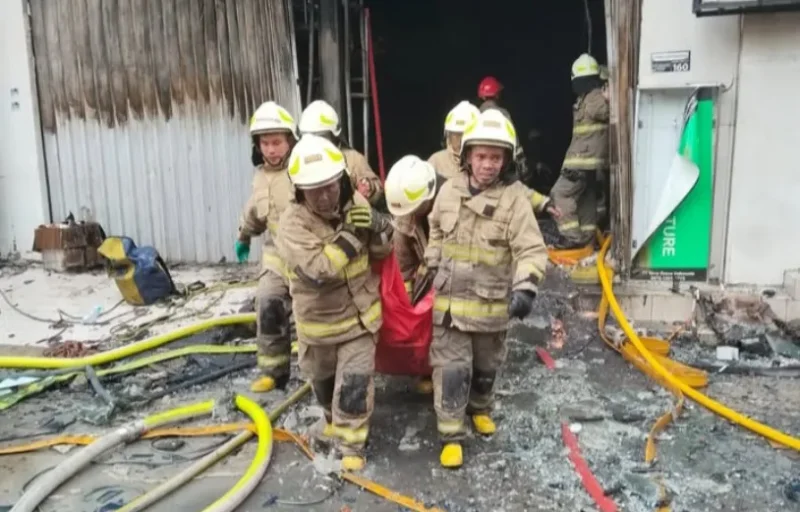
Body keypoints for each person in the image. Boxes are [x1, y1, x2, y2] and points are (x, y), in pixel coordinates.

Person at [423, 109, 548, 468]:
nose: (488, 165)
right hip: (448, 305)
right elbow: (434, 228)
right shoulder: (448, 192)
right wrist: (433, 261)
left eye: (496, 157)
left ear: (506, 160)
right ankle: (450, 434)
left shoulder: (514, 201)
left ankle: (480, 406)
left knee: (485, 367)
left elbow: (530, 249)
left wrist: (525, 287)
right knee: (450, 370)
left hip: (491, 306)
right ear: (467, 157)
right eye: (481, 156)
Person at [276, 134, 394, 471]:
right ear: (300, 191)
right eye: (315, 190)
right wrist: (354, 236)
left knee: (355, 382)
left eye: (330, 186)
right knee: (324, 384)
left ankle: (351, 446)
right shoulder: (292, 224)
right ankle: (332, 415)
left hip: (360, 319)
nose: (326, 196)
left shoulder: (355, 201)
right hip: (319, 325)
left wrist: (379, 225)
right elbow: (319, 270)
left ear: (341, 180)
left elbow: (383, 250)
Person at [236, 101, 297, 393]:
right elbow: (254, 210)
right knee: (267, 303)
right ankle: (274, 372)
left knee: (315, 317)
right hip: (275, 255)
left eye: (277, 142)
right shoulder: (260, 176)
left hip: (306, 253)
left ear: (290, 141)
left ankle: (322, 374)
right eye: (265, 143)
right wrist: (244, 236)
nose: (271, 149)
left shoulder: (302, 169)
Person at [550, 53, 610, 248]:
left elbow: (610, 112)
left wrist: (611, 96)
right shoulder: (589, 98)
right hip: (589, 164)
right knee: (585, 199)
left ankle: (572, 238)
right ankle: (587, 238)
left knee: (560, 194)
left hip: (581, 162)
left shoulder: (593, 99)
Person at [299, 99, 383, 205]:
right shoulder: (298, 164)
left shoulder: (353, 159)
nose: (317, 142)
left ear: (334, 136)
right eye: (311, 137)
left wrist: (370, 188)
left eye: (322, 137)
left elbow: (378, 190)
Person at [427, 101, 480, 179]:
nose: (461, 140)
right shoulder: (437, 161)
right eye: (456, 135)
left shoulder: (485, 164)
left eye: (465, 134)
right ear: (448, 135)